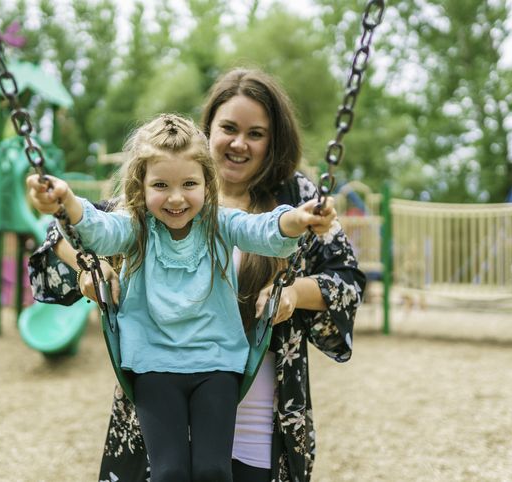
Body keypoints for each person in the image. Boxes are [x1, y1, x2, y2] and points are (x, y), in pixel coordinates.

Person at [27, 68, 365, 482]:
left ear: (274, 140)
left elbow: (334, 272)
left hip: (248, 394)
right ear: (208, 133)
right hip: (158, 371)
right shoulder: (159, 187)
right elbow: (81, 230)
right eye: (229, 128)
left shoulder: (292, 196)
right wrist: (89, 266)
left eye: (256, 133)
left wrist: (292, 288)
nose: (240, 143)